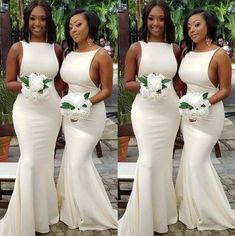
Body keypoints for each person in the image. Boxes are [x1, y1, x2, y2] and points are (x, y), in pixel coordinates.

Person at [118, 0, 181, 235]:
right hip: (144, 110)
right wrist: (148, 87)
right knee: (147, 159)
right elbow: (127, 83)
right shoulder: (136, 48)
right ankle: (142, 214)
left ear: (167, 21)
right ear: (145, 20)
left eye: (161, 19)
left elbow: (178, 82)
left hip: (170, 111)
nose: (156, 23)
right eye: (152, 18)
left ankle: (161, 214)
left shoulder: (175, 49)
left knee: (164, 160)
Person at [0, 0, 62, 235]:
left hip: (51, 111)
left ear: (48, 22)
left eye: (43, 19)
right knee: (29, 159)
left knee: (45, 160)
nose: (37, 23)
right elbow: (9, 82)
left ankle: (43, 213)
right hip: (26, 111)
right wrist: (29, 87)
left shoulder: (55, 49)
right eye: (33, 18)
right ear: (26, 20)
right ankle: (23, 215)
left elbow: (59, 82)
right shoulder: (18, 48)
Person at [56, 9, 117, 230]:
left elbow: (107, 90)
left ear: (90, 25)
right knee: (72, 160)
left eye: (78, 25)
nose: (73, 29)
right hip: (69, 116)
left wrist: (84, 103)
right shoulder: (68, 54)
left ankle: (91, 213)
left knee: (78, 161)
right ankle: (72, 209)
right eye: (71, 26)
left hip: (90, 115)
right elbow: (63, 84)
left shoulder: (100, 54)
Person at [176, 8, 234, 230]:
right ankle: (191, 208)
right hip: (187, 116)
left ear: (209, 25)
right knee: (190, 160)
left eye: (197, 24)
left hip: (208, 116)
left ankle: (208, 212)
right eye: (189, 26)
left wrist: (203, 104)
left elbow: (225, 90)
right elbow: (182, 84)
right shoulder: (187, 55)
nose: (192, 29)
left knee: (196, 161)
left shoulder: (219, 55)